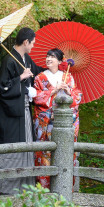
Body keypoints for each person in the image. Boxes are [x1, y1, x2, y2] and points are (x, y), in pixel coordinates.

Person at [0, 26, 44, 195]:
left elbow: (38, 74)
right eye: (33, 43)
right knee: (12, 147)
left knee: (26, 146)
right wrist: (20, 78)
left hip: (25, 111)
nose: (33, 46)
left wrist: (56, 68)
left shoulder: (26, 58)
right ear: (25, 41)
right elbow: (2, 88)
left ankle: (25, 187)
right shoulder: (9, 60)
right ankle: (6, 189)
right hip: (11, 113)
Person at [33, 48, 81, 188]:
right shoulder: (40, 77)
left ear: (60, 61)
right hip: (46, 122)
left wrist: (68, 91)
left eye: (52, 57)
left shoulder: (67, 77)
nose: (48, 59)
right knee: (45, 153)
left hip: (63, 121)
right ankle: (43, 186)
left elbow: (77, 97)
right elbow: (37, 98)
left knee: (64, 153)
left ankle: (64, 185)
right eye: (47, 56)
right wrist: (53, 90)